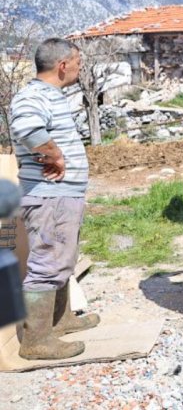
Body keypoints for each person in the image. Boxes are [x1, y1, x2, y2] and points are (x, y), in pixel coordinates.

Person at [10, 38, 100, 360]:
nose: (80, 67)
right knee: (48, 264)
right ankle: (36, 341)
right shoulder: (32, 96)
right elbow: (25, 127)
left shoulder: (48, 95)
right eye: (77, 61)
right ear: (63, 65)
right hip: (51, 197)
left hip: (61, 196)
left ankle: (59, 323)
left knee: (62, 260)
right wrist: (57, 156)